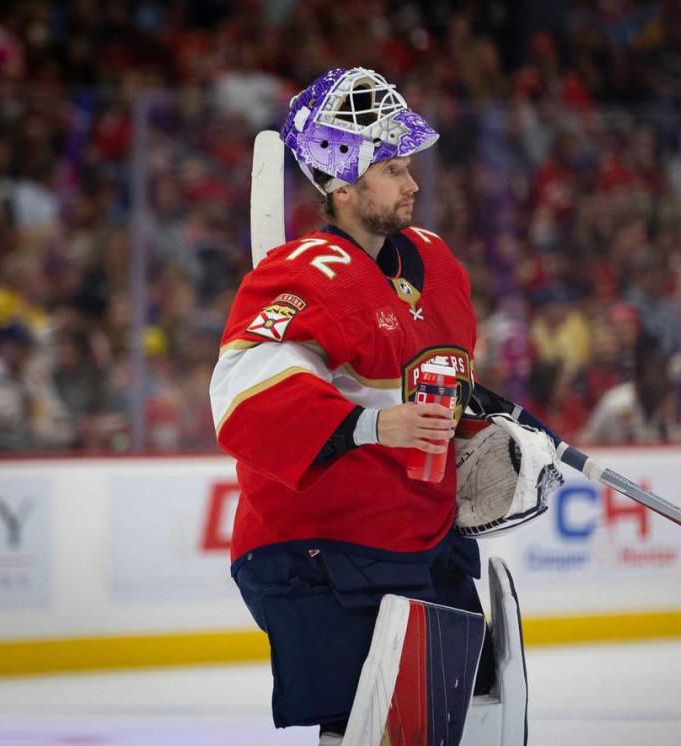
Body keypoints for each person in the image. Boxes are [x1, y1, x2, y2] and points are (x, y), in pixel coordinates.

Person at [209, 68, 492, 743]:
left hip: (424, 539)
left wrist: (489, 433)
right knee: (368, 730)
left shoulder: (436, 261)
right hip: (319, 549)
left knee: (464, 720)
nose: (413, 182)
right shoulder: (297, 275)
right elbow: (243, 388)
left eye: (409, 164)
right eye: (393, 168)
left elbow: (440, 387)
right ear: (342, 182)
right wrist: (371, 425)